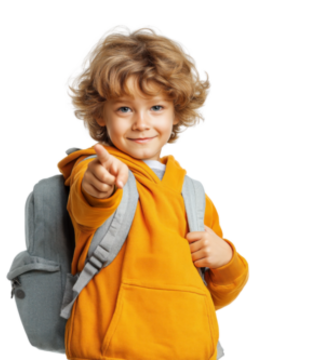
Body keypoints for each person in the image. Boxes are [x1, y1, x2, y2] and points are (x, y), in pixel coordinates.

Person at [58, 24, 249, 359]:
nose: (142, 123)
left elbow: (221, 293)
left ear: (177, 110)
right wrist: (101, 184)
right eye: (125, 109)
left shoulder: (193, 193)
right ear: (101, 114)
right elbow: (87, 205)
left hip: (191, 352)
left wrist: (227, 259)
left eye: (156, 107)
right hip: (112, 351)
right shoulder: (93, 165)